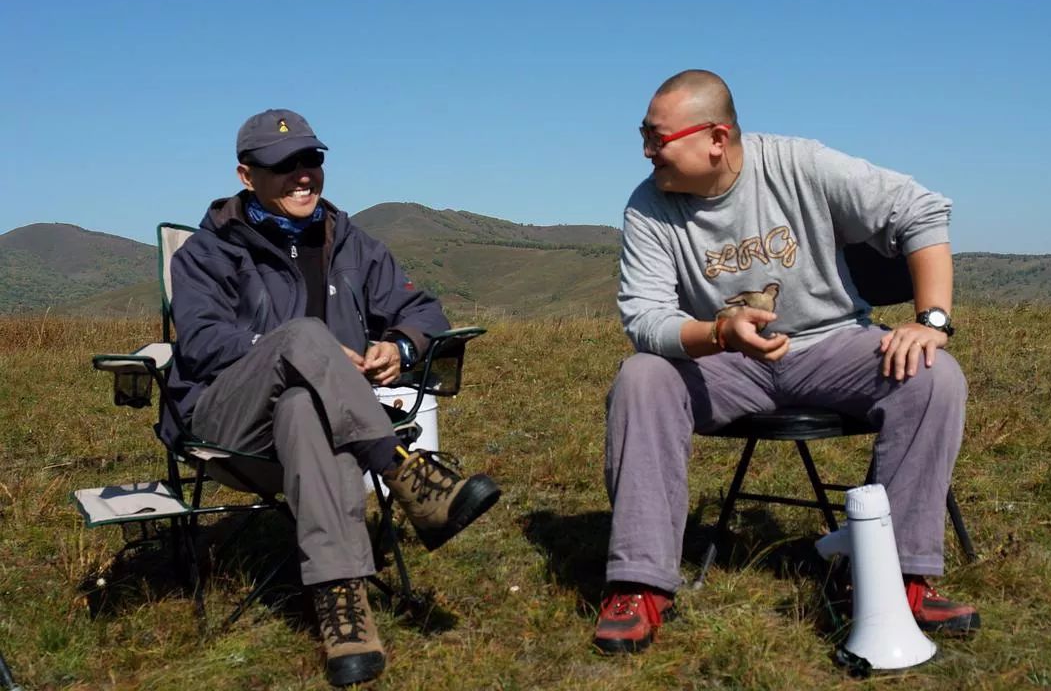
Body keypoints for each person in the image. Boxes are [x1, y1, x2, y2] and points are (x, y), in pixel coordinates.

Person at [594, 70, 978, 654]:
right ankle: (639, 585)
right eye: (643, 136)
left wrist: (930, 322)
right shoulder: (648, 206)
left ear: (716, 138)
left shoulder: (799, 164)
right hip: (726, 363)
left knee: (933, 375)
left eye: (657, 138)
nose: (647, 152)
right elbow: (645, 319)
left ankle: (896, 580)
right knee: (641, 376)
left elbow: (920, 210)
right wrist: (720, 332)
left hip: (832, 345)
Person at [162, 109, 501, 686]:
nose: (303, 175)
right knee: (302, 336)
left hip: (319, 425)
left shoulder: (354, 244)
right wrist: (300, 348)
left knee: (303, 408)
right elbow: (201, 342)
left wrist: (400, 345)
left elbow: (423, 311)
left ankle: (344, 613)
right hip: (228, 422)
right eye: (283, 165)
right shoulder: (207, 252)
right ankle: (403, 469)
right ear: (246, 176)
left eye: (312, 160)